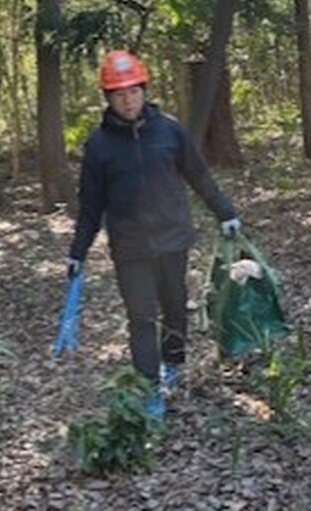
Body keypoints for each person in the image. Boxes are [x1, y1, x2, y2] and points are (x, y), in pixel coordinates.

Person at [66, 50, 241, 418]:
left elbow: (199, 175)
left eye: (133, 92)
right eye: (119, 94)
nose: (128, 101)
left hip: (173, 239)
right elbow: (91, 206)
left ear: (144, 91)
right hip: (131, 249)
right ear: (109, 99)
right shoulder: (98, 146)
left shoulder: (170, 130)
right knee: (142, 318)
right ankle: (149, 390)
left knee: (175, 308)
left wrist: (225, 212)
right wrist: (78, 251)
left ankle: (173, 366)